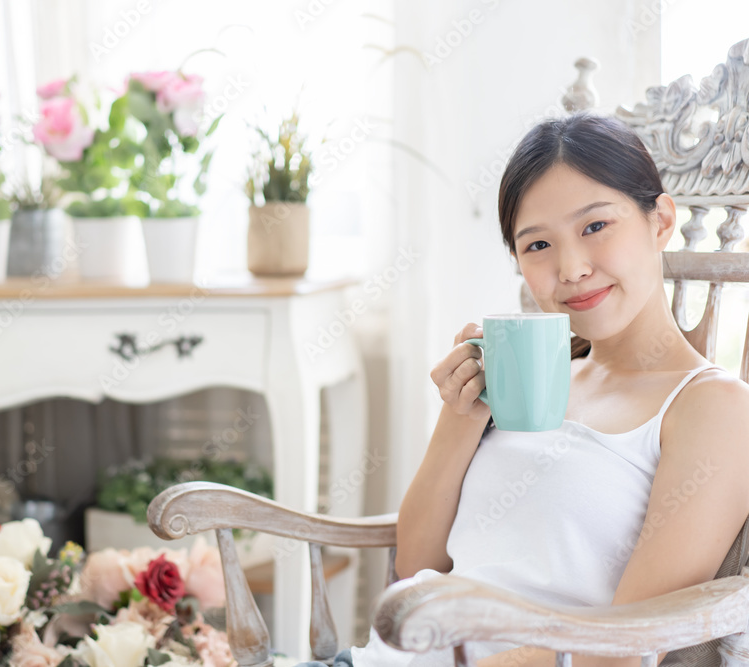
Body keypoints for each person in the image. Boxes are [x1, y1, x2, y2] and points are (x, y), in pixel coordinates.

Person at [303, 112, 749, 667]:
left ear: (659, 221)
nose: (571, 268)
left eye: (594, 227)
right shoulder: (531, 381)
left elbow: (626, 647)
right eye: (537, 245)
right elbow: (419, 559)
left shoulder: (712, 407)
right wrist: (462, 416)